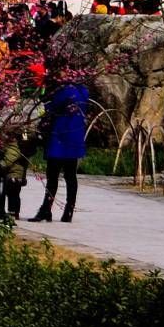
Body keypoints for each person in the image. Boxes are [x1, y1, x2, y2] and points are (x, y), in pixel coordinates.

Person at [30, 74, 93, 222]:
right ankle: (69, 210)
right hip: (74, 137)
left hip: (60, 137)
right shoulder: (83, 91)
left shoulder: (64, 91)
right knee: (70, 176)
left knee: (53, 176)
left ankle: (46, 209)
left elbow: (49, 108)